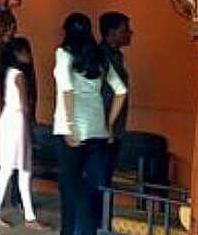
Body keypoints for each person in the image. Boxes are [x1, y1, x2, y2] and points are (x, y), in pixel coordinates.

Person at [53, 13, 127, 235]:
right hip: (98, 132)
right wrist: (109, 124)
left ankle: (77, 231)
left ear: (67, 31)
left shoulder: (63, 53)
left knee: (71, 189)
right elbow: (121, 91)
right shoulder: (100, 56)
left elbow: (66, 89)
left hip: (71, 132)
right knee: (88, 189)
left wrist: (70, 125)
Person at [0, 36, 50, 231]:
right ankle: (26, 216)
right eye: (26, 51)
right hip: (17, 122)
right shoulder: (19, 75)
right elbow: (25, 106)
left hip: (9, 120)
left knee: (9, 169)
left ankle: (22, 214)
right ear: (18, 53)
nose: (29, 55)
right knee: (20, 169)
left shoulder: (8, 73)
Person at [99, 11, 132, 188]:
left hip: (115, 126)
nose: (130, 33)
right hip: (106, 127)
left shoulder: (116, 56)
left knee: (107, 176)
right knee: (101, 177)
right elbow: (105, 94)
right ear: (111, 33)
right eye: (125, 30)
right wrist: (108, 124)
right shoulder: (103, 57)